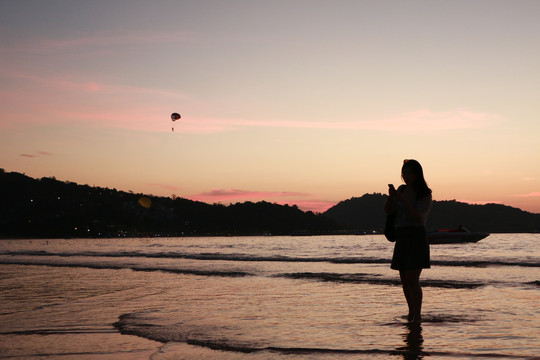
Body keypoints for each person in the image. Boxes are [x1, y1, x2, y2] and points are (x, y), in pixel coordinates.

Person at [385, 159, 432, 325]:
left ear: (417, 174)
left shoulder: (424, 193)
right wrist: (392, 198)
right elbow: (388, 211)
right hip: (402, 235)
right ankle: (411, 313)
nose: (405, 176)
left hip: (416, 236)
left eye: (409, 172)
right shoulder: (401, 190)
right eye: (404, 173)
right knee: (404, 279)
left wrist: (403, 200)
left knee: (413, 278)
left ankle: (417, 316)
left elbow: (418, 217)